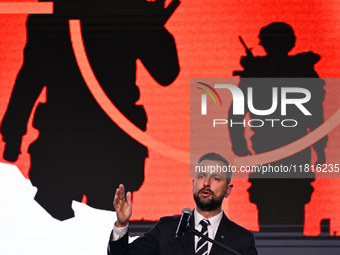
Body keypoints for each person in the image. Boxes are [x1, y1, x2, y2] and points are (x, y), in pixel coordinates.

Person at [229, 22, 327, 232]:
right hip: (286, 151)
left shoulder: (258, 71)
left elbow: (236, 111)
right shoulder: (300, 70)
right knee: (284, 208)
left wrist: (239, 143)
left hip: (275, 151)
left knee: (275, 208)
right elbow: (316, 116)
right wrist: (320, 149)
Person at [107, 152, 258, 255]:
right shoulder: (166, 229)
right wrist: (122, 224)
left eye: (215, 178)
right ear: (193, 183)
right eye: (201, 176)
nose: (206, 183)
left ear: (228, 190)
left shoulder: (242, 240)